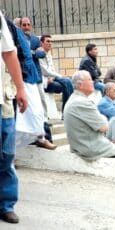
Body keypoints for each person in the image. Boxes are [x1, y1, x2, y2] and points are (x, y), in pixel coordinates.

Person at [64, 70, 115, 160]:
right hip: (91, 147)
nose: (93, 82)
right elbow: (104, 127)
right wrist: (103, 117)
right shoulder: (82, 102)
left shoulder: (75, 99)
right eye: (89, 80)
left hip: (85, 144)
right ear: (80, 85)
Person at [0, 10, 28, 224]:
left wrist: (20, 88)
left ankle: (6, 204)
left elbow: (9, 52)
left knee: (7, 154)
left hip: (3, 99)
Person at [17, 17, 56, 150]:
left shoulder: (34, 39)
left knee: (40, 110)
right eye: (24, 25)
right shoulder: (16, 38)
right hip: (21, 77)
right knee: (22, 114)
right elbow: (18, 54)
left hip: (34, 77)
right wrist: (33, 52)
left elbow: (41, 54)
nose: (26, 27)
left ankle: (43, 138)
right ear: (19, 26)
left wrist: (33, 53)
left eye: (28, 25)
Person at [39, 35, 74, 113]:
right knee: (64, 85)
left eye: (51, 41)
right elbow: (45, 71)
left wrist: (53, 77)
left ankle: (68, 110)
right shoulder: (39, 54)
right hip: (45, 82)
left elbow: (52, 69)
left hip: (52, 78)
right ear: (41, 43)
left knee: (69, 81)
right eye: (48, 41)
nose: (50, 43)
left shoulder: (49, 55)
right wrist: (59, 76)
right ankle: (68, 110)